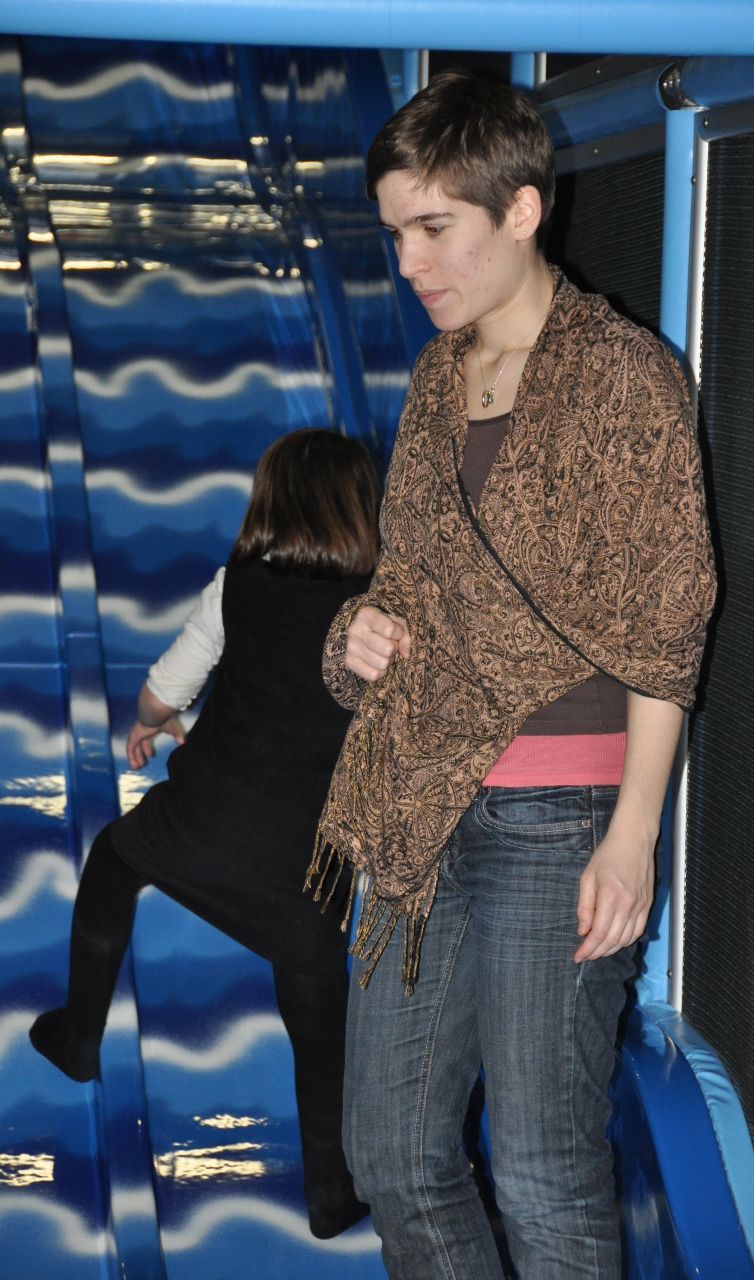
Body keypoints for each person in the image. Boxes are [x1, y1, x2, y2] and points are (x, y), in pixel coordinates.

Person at [306, 71, 717, 1278]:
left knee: (541, 1167)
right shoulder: (438, 379)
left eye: (434, 227)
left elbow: (668, 620)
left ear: (522, 209)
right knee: (390, 1150)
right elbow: (407, 581)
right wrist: (361, 633)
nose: (408, 262)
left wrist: (632, 834)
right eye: (396, 233)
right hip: (423, 801)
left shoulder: (624, 374)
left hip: (561, 813)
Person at [31, 428, 378, 1240]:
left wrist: (151, 723)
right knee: (318, 1013)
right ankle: (330, 1191)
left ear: (267, 504)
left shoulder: (238, 587)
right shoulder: (377, 619)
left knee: (112, 858)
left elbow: (167, 687)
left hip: (198, 826)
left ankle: (79, 1038)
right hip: (308, 868)